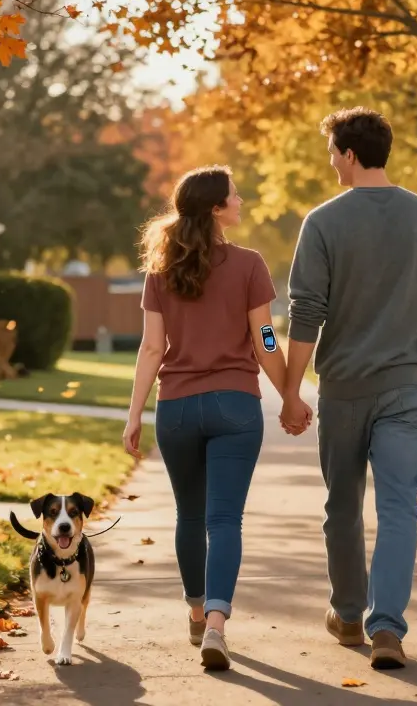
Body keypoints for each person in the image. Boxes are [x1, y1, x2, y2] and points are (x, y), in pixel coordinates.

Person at [277, 107, 417, 670]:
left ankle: (348, 613)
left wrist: (291, 392)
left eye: (333, 153)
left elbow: (304, 313)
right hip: (407, 389)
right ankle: (388, 628)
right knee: (398, 507)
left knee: (342, 505)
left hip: (343, 390)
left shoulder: (322, 222)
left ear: (350, 155)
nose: (331, 162)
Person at [122, 164, 312, 672]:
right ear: (215, 208)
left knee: (189, 515)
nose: (241, 200)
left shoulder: (161, 273)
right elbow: (265, 338)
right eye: (234, 195)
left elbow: (150, 348)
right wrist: (289, 395)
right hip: (234, 405)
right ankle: (216, 625)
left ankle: (193, 609)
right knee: (224, 519)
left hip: (178, 409)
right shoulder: (249, 265)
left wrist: (134, 413)